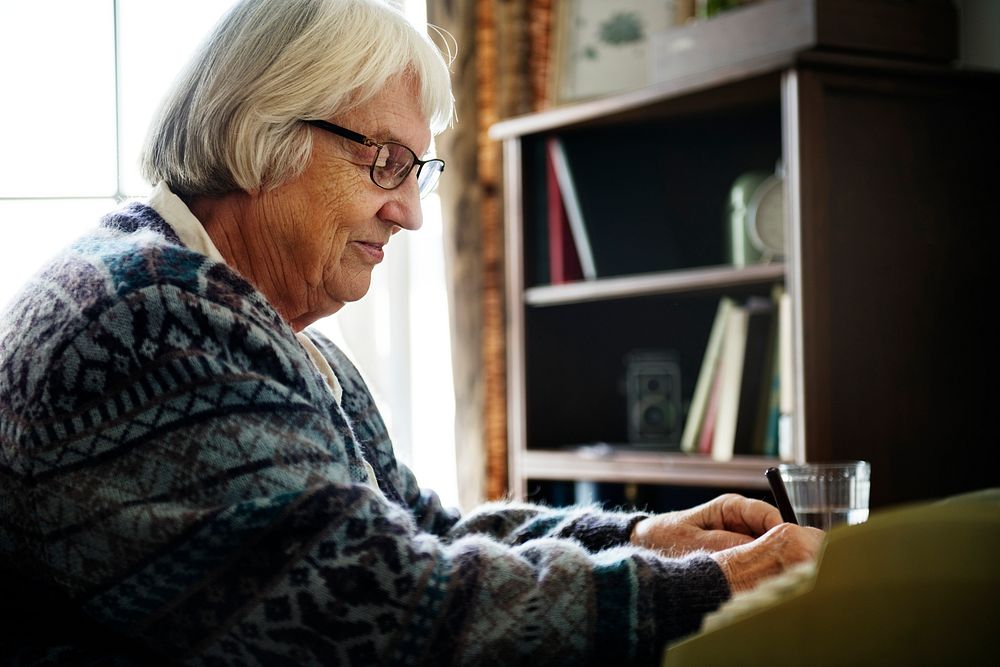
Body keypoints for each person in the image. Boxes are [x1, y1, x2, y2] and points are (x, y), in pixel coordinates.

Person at [0, 0, 824, 664]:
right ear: (265, 133)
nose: (412, 212)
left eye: (416, 172)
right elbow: (377, 610)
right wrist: (709, 588)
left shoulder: (274, 333)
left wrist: (644, 535)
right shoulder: (149, 317)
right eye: (384, 163)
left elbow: (423, 530)